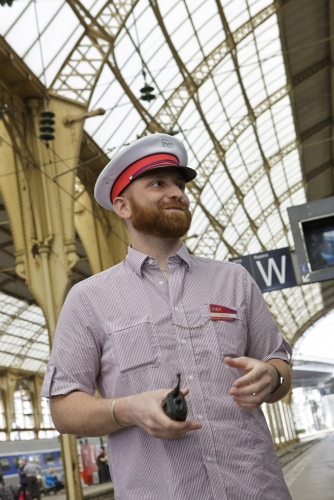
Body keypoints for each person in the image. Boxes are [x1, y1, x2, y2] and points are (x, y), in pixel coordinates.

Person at [42, 133, 293, 499]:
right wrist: (128, 409)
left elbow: (281, 366)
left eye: (179, 184)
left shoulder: (233, 280)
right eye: (158, 183)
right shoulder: (88, 299)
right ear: (123, 206)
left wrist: (271, 375)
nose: (176, 192)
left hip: (257, 488)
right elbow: (64, 410)